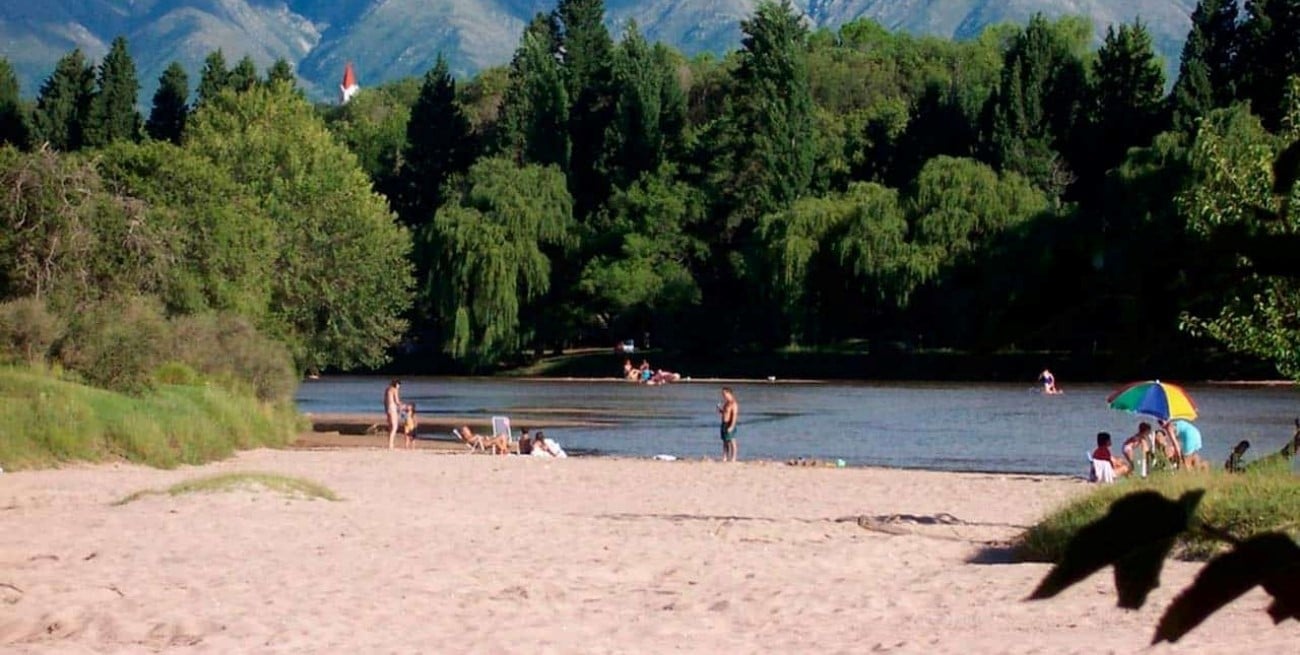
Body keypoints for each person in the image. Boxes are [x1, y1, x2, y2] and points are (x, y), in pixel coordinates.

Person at [717, 387, 739, 462]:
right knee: (725, 441)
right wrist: (720, 410)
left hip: (730, 423)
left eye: (724, 394)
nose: (723, 395)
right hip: (724, 423)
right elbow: (725, 413)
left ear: (729, 393)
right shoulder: (726, 403)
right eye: (723, 394)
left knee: (732, 441)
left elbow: (734, 416)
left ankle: (733, 458)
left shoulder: (733, 403)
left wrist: (732, 426)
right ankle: (725, 457)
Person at [383, 379, 403, 450]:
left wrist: (385, 409)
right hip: (392, 407)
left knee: (390, 426)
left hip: (387, 407)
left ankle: (390, 443)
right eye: (399, 385)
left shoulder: (387, 389)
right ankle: (391, 444)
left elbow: (384, 401)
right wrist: (402, 405)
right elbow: (397, 401)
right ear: (396, 384)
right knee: (395, 426)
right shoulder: (394, 390)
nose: (399, 386)